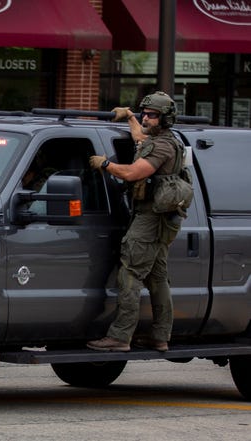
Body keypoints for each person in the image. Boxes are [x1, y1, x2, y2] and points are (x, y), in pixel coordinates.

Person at [87, 91, 186, 353]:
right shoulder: (162, 139)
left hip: (151, 219)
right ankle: (160, 336)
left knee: (129, 273)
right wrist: (130, 116)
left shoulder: (163, 145)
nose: (146, 117)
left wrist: (105, 164)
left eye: (151, 115)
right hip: (160, 220)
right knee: (157, 277)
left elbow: (132, 173)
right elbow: (140, 137)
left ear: (165, 119)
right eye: (144, 113)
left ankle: (120, 336)